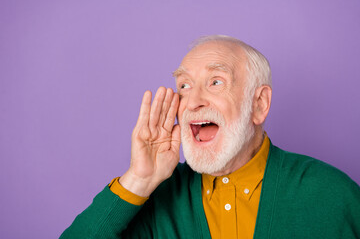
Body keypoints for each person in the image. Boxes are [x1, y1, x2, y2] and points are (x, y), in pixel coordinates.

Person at [60, 35, 360, 239]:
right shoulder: (156, 199)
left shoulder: (332, 194)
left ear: (259, 104)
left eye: (215, 82)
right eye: (185, 86)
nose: (192, 102)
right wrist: (140, 178)